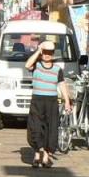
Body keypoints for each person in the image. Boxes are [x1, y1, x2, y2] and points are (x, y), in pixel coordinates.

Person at [25, 40, 71, 168]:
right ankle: (36, 153)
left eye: (50, 53)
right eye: (45, 52)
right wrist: (38, 51)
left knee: (50, 129)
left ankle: (46, 155)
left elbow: (62, 85)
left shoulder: (57, 69)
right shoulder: (37, 65)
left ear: (53, 54)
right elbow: (27, 65)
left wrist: (67, 101)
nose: (47, 55)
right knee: (36, 127)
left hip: (51, 102)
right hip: (37, 101)